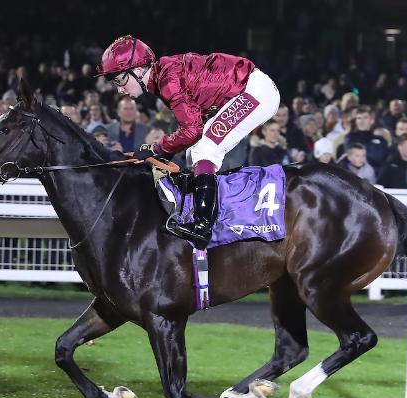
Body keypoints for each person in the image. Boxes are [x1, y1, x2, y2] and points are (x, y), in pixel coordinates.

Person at [95, 36, 280, 248]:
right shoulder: (163, 76)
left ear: (137, 71)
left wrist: (156, 148)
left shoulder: (167, 81)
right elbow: (191, 129)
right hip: (249, 89)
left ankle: (203, 226)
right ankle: (201, 215)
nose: (119, 90)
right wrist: (159, 151)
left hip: (255, 92)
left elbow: (192, 131)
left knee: (205, 149)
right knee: (195, 153)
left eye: (120, 81)